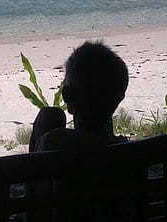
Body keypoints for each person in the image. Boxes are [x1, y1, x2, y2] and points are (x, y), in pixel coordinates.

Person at [28, 41, 130, 221]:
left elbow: (34, 203)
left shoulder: (54, 143)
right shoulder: (129, 151)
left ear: (66, 96)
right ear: (120, 97)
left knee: (49, 115)